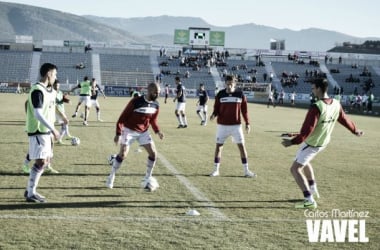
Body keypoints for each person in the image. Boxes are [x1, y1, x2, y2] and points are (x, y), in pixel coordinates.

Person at [281, 78, 364, 209]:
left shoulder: (316, 106)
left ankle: (309, 200)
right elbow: (344, 119)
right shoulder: (336, 103)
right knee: (304, 161)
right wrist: (355, 130)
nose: (312, 90)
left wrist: (292, 142)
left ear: (319, 88)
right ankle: (313, 190)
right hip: (323, 142)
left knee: (295, 169)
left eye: (313, 88)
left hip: (312, 143)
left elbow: (307, 130)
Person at [106, 82, 164, 189]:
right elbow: (122, 118)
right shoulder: (136, 102)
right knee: (123, 154)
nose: (158, 94)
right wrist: (118, 134)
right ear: (149, 91)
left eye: (159, 92)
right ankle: (111, 176)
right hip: (129, 130)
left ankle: (147, 177)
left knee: (153, 154)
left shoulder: (156, 104)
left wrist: (158, 131)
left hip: (143, 132)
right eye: (156, 92)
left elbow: (153, 120)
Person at [24, 63, 60, 202]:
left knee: (45, 162)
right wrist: (53, 129)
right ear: (49, 74)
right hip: (38, 130)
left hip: (45, 132)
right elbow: (38, 114)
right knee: (41, 162)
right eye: (55, 74)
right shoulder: (37, 90)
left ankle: (30, 190)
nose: (55, 77)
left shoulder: (48, 90)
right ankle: (31, 192)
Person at [209, 75, 256, 178]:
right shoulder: (220, 94)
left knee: (242, 147)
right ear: (225, 83)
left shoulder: (240, 94)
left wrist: (247, 123)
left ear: (235, 83)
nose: (230, 85)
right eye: (228, 83)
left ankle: (246, 171)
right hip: (222, 125)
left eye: (232, 83)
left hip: (236, 126)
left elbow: (245, 111)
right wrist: (213, 115)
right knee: (219, 147)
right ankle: (216, 170)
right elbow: (216, 109)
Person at [54, 79, 74, 144]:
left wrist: (67, 100)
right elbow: (55, 105)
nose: (57, 86)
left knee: (65, 123)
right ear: (53, 85)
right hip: (57, 111)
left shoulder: (60, 92)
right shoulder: (52, 93)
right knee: (65, 123)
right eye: (56, 85)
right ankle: (61, 138)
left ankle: (65, 136)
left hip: (62, 110)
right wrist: (61, 114)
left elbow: (62, 98)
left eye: (58, 85)